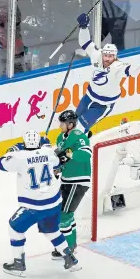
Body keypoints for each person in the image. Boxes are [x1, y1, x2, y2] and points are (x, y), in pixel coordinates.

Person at [0, 130, 79, 276]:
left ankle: (18, 264)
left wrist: (14, 149)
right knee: (52, 231)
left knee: (14, 228)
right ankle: (70, 258)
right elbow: (58, 161)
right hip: (54, 203)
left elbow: (1, 164)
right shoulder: (48, 152)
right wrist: (45, 147)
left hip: (34, 206)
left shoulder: (19, 156)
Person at [75, 12, 140, 138]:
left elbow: (132, 72)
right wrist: (84, 27)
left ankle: (76, 148)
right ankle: (78, 140)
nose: (107, 58)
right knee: (74, 122)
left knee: (80, 126)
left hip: (103, 104)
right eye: (106, 55)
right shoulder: (96, 56)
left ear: (115, 57)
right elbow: (85, 42)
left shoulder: (117, 67)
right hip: (88, 97)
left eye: (110, 56)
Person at [50, 110, 92, 260]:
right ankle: (71, 245)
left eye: (62, 123)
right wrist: (58, 169)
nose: (60, 125)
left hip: (78, 180)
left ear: (70, 124)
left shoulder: (79, 136)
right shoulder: (60, 137)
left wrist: (69, 153)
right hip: (67, 180)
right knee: (67, 214)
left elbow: (86, 154)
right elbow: (63, 159)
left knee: (64, 215)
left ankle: (67, 249)